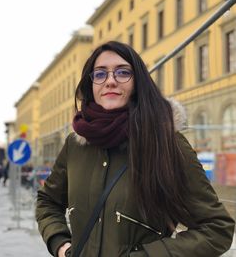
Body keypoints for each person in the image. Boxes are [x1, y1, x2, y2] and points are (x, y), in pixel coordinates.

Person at [35, 41, 235, 257]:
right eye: (100, 74)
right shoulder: (75, 145)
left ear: (138, 82)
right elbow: (48, 201)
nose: (110, 81)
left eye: (122, 72)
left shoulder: (167, 143)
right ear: (90, 85)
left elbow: (217, 229)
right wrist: (61, 244)